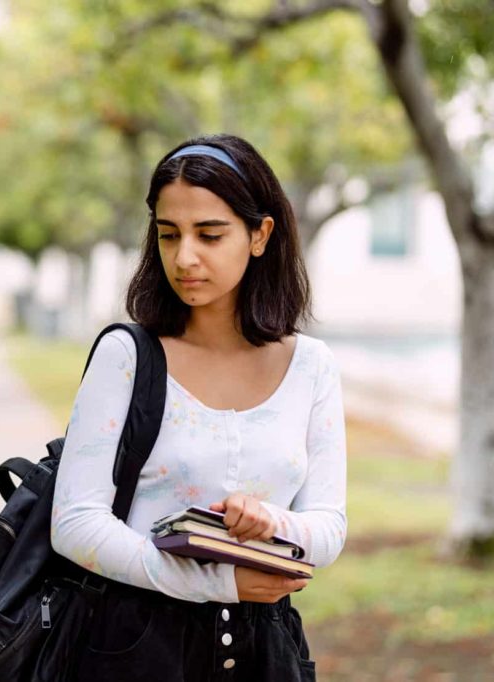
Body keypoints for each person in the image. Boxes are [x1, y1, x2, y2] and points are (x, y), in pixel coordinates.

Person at [50, 134, 346, 681]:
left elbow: (328, 527)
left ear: (260, 235)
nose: (185, 257)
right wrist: (216, 583)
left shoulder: (312, 366)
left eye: (209, 234)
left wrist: (270, 522)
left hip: (267, 652)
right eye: (169, 235)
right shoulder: (127, 356)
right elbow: (74, 523)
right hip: (135, 646)